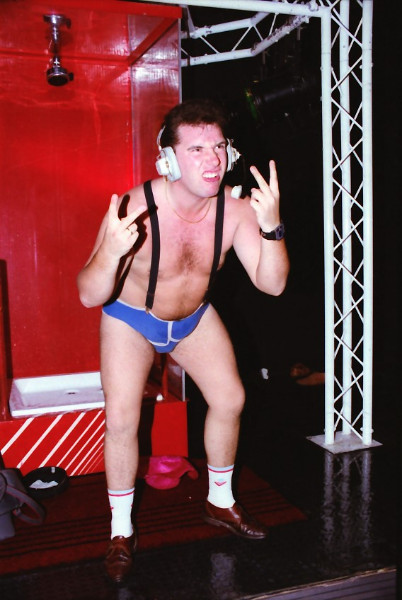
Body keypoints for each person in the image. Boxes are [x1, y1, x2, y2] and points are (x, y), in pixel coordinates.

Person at [77, 98, 289, 584]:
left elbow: (273, 284)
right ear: (168, 161)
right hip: (132, 318)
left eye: (218, 147)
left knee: (230, 398)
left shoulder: (236, 211)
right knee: (123, 417)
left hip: (192, 318)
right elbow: (89, 294)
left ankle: (219, 502)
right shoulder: (135, 208)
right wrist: (110, 253)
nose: (212, 159)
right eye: (196, 149)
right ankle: (120, 531)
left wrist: (272, 227)